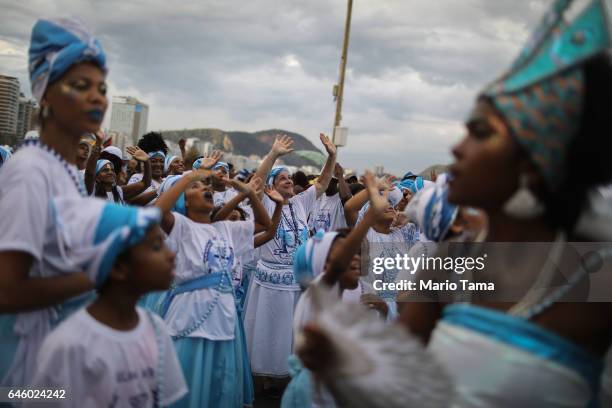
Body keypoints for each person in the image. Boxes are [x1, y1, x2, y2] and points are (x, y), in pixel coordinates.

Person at [300, 1, 612, 406]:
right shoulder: (450, 259)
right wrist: (347, 364)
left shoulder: (593, 271)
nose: (456, 148)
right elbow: (400, 383)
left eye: (480, 132)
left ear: (535, 163)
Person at [0, 17, 106, 386]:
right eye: (80, 85)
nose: (98, 97)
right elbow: (7, 290)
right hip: (24, 369)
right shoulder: (31, 171)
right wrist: (103, 272)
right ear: (46, 93)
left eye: (102, 86)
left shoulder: (61, 169)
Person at [27, 197, 187, 408]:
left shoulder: (156, 328)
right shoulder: (69, 345)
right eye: (157, 247)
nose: (171, 255)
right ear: (118, 267)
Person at [154, 152, 272, 408]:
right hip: (190, 319)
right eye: (196, 188)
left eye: (207, 186)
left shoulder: (226, 229)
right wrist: (191, 176)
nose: (205, 188)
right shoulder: (182, 227)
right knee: (189, 388)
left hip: (224, 322)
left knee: (217, 390)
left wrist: (249, 192)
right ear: (183, 203)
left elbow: (265, 223)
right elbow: (156, 211)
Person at [282, 171, 390, 408]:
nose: (354, 259)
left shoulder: (360, 288)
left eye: (357, 255)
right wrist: (372, 214)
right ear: (322, 267)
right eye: (343, 257)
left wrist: (382, 311)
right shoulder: (318, 291)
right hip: (317, 394)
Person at [243, 133, 336, 387]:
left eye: (289, 178)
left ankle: (287, 377)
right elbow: (257, 182)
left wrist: (332, 155)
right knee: (269, 332)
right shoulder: (263, 201)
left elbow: (324, 182)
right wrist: (273, 154)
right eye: (281, 177)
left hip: (296, 282)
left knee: (291, 333)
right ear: (272, 185)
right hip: (271, 282)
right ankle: (265, 379)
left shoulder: (299, 203)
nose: (287, 181)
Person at [86, 144, 152, 204]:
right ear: (96, 176)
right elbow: (89, 173)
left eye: (112, 170)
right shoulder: (91, 190)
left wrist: (147, 161)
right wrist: (98, 143)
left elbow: (145, 183)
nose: (110, 173)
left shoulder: (119, 191)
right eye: (105, 170)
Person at [308, 163, 352, 234]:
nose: (323, 182)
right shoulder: (318, 198)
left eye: (327, 179)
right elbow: (311, 228)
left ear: (335, 181)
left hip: (335, 244)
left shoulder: (340, 200)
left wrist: (340, 177)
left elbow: (346, 197)